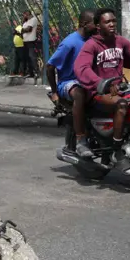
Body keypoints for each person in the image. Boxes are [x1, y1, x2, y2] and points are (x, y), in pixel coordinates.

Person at [74, 8, 130, 175]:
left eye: (114, 21)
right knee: (122, 105)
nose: (112, 24)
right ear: (98, 25)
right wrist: (101, 83)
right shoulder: (91, 45)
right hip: (99, 93)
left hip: (119, 90)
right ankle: (117, 151)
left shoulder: (120, 42)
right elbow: (82, 68)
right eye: (107, 22)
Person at [46, 10, 97, 158]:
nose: (98, 26)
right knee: (79, 93)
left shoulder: (93, 40)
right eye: (95, 23)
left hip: (88, 80)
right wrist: (55, 92)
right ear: (84, 24)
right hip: (69, 82)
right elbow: (50, 67)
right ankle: (81, 139)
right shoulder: (69, 43)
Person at [21, 11, 40, 78]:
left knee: (32, 57)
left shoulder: (33, 19)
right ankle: (31, 73)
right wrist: (22, 29)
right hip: (25, 41)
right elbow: (23, 30)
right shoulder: (26, 22)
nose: (24, 16)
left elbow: (29, 29)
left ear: (27, 14)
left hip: (31, 41)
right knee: (27, 58)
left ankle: (37, 72)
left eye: (24, 15)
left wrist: (21, 30)